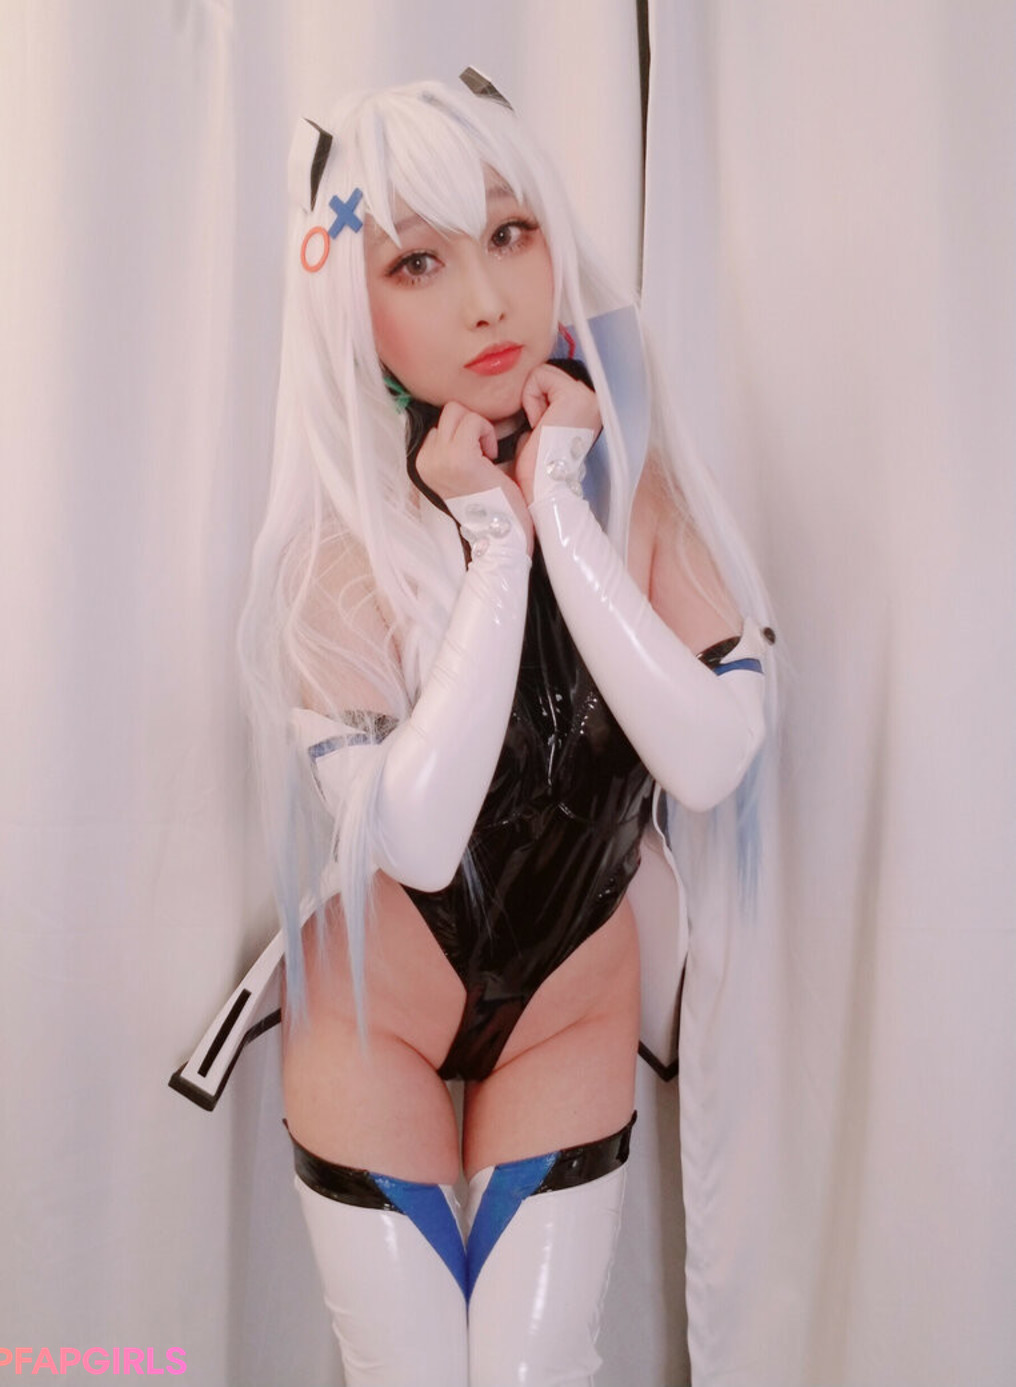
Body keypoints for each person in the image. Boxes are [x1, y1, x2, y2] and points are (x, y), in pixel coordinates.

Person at [239, 72, 774, 1387]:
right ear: (351, 310)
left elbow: (713, 759)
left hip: (570, 1005)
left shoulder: (638, 497)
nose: (485, 298)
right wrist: (490, 534)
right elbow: (418, 842)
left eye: (511, 233)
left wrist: (565, 508)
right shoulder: (340, 555)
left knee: (536, 1372)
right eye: (417, 261)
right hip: (376, 1013)